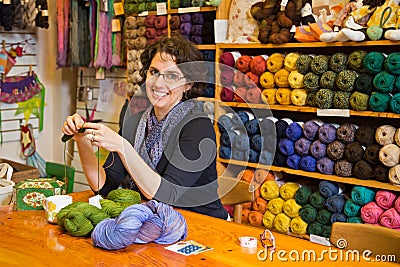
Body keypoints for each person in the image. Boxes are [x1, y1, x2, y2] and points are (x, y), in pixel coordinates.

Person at [62, 35, 228, 220]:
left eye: (172, 76)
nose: (158, 83)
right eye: (154, 72)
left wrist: (122, 146)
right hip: (155, 222)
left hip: (202, 226)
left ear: (188, 84)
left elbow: (165, 196)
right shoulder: (136, 120)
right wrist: (82, 141)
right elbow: (103, 185)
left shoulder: (197, 127)